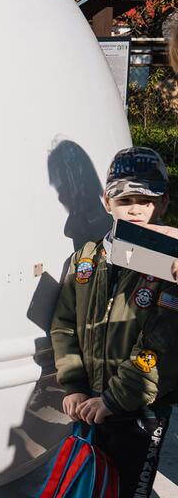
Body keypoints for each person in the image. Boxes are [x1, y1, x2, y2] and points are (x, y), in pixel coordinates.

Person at [50, 146, 178, 497]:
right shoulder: (86, 258)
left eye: (146, 199)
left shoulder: (170, 264)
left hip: (140, 407)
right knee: (88, 481)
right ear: (107, 202)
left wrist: (115, 399)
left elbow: (162, 346)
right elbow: (63, 324)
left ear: (163, 204)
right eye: (125, 199)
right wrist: (74, 384)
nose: (135, 208)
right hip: (89, 403)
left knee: (127, 488)